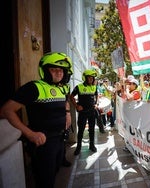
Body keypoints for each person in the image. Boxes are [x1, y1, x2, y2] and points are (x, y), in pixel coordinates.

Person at [1, 52, 73, 188]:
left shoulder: (61, 88)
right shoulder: (34, 87)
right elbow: (6, 110)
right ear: (45, 71)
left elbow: (65, 102)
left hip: (59, 140)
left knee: (54, 175)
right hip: (43, 143)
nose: (59, 73)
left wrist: (68, 113)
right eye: (54, 69)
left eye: (61, 70)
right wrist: (30, 134)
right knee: (44, 181)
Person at [70, 69, 99, 155]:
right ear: (85, 78)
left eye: (92, 78)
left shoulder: (94, 87)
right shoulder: (79, 87)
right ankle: (78, 147)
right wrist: (76, 106)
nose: (91, 79)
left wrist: (96, 103)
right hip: (82, 113)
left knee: (92, 129)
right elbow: (71, 96)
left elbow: (96, 95)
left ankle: (92, 145)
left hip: (92, 112)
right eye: (89, 78)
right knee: (81, 130)